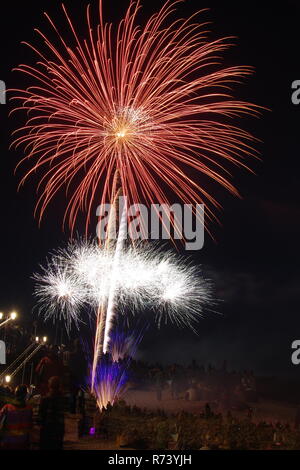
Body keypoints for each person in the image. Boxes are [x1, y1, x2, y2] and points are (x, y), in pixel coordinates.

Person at [0, 384, 33, 450]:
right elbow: (30, 426)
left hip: (8, 442)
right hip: (23, 443)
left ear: (15, 394)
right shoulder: (29, 409)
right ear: (25, 395)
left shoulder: (7, 408)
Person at [39, 376, 65, 450]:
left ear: (49, 385)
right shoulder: (62, 400)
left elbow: (41, 416)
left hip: (47, 430)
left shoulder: (45, 399)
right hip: (58, 431)